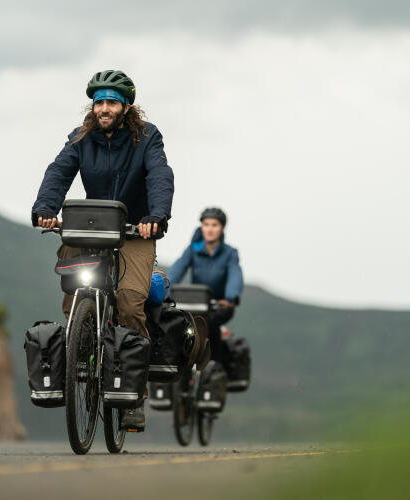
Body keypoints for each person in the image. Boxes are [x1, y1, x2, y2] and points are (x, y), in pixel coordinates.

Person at [31, 70, 174, 430]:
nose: (104, 109)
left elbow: (159, 174)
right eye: (99, 102)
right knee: (75, 287)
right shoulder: (81, 138)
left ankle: (133, 397)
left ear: (126, 106)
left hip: (135, 231)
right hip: (91, 227)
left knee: (129, 299)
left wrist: (155, 216)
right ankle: (78, 342)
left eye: (111, 102)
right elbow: (58, 172)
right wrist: (46, 209)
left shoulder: (147, 137)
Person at [168, 208, 243, 363]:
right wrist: (164, 289)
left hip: (220, 305)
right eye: (206, 224)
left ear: (222, 228)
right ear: (201, 227)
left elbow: (235, 274)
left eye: (214, 225)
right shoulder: (193, 250)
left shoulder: (230, 253)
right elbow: (177, 270)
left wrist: (231, 296)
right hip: (195, 303)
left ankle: (213, 366)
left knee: (210, 325)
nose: (210, 229)